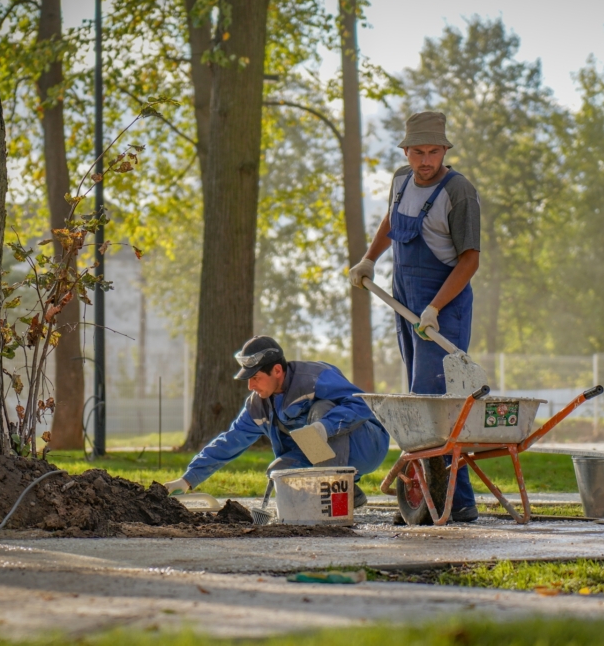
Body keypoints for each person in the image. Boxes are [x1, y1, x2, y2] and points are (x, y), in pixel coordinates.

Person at [348, 111, 482, 522]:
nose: (426, 160)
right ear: (406, 152)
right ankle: (452, 503)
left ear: (445, 151)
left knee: (433, 404)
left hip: (444, 303)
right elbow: (392, 220)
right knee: (422, 399)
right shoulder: (400, 180)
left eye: (434, 152)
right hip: (406, 298)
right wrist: (369, 259)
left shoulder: (458, 192)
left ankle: (445, 503)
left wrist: (436, 308)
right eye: (419, 151)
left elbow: (470, 259)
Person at [164, 336, 389, 508]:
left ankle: (336, 500)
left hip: (367, 444)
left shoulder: (314, 377)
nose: (250, 386)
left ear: (277, 370)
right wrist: (187, 480)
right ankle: (348, 493)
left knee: (321, 410)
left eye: (255, 378)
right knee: (278, 472)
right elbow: (228, 442)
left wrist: (324, 427)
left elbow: (362, 405)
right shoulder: (258, 405)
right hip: (329, 457)